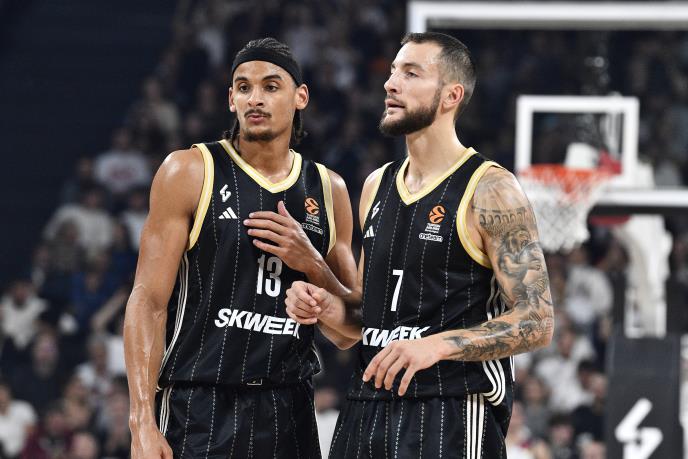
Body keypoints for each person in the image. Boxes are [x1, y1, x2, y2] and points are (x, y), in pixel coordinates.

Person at [286, 32, 554, 458]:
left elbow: (537, 320)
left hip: (449, 409)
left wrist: (438, 344)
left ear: (451, 96)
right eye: (394, 71)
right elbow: (366, 318)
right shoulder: (376, 185)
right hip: (366, 408)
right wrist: (324, 306)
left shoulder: (490, 189)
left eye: (411, 73)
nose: (391, 83)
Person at [124, 37, 357, 459]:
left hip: (289, 409)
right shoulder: (189, 171)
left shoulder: (329, 189)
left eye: (271, 86)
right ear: (231, 99)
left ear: (300, 97)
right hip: (200, 405)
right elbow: (148, 301)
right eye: (244, 87)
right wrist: (141, 420)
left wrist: (311, 262)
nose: (256, 98)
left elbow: (350, 331)